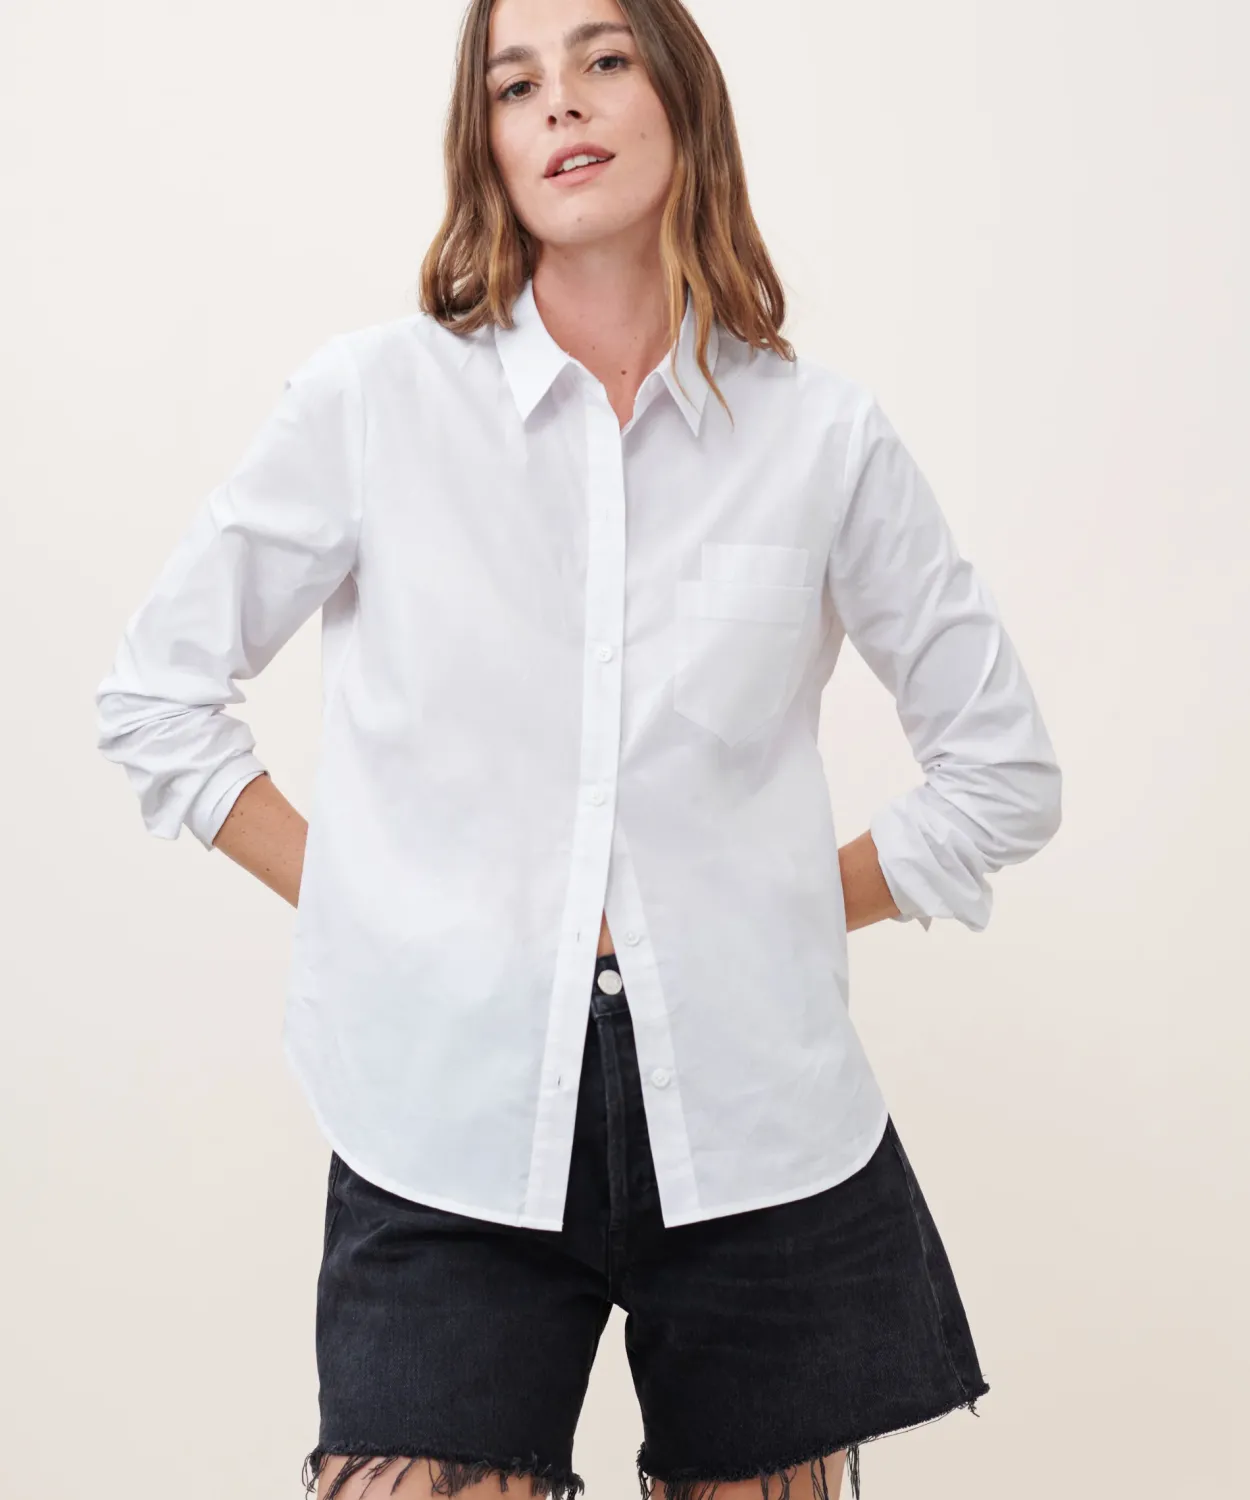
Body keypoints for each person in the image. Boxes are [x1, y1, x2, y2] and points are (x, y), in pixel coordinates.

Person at [93, 0, 1063, 1496]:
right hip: (444, 1118)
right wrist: (363, 895)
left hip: (757, 1131)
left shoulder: (822, 438)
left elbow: (1002, 773)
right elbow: (157, 698)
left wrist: (777, 908)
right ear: (483, 142)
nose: (561, 104)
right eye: (515, 83)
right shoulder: (374, 404)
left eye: (603, 60)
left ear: (680, 99)